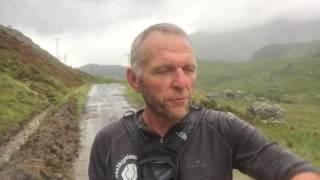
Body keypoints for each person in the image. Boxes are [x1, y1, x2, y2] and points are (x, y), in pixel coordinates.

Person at [89, 23, 320, 180]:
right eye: (164, 70)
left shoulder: (223, 129)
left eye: (188, 69)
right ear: (134, 79)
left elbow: (289, 169)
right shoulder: (109, 142)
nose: (182, 82)